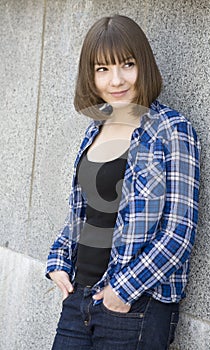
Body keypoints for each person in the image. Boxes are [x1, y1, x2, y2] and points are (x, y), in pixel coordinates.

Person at [46, 14, 201, 350]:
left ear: (142, 64)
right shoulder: (94, 128)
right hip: (78, 297)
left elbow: (179, 231)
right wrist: (58, 260)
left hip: (135, 304)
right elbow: (83, 214)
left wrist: (123, 290)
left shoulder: (172, 129)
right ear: (90, 74)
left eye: (126, 65)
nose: (115, 80)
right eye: (102, 69)